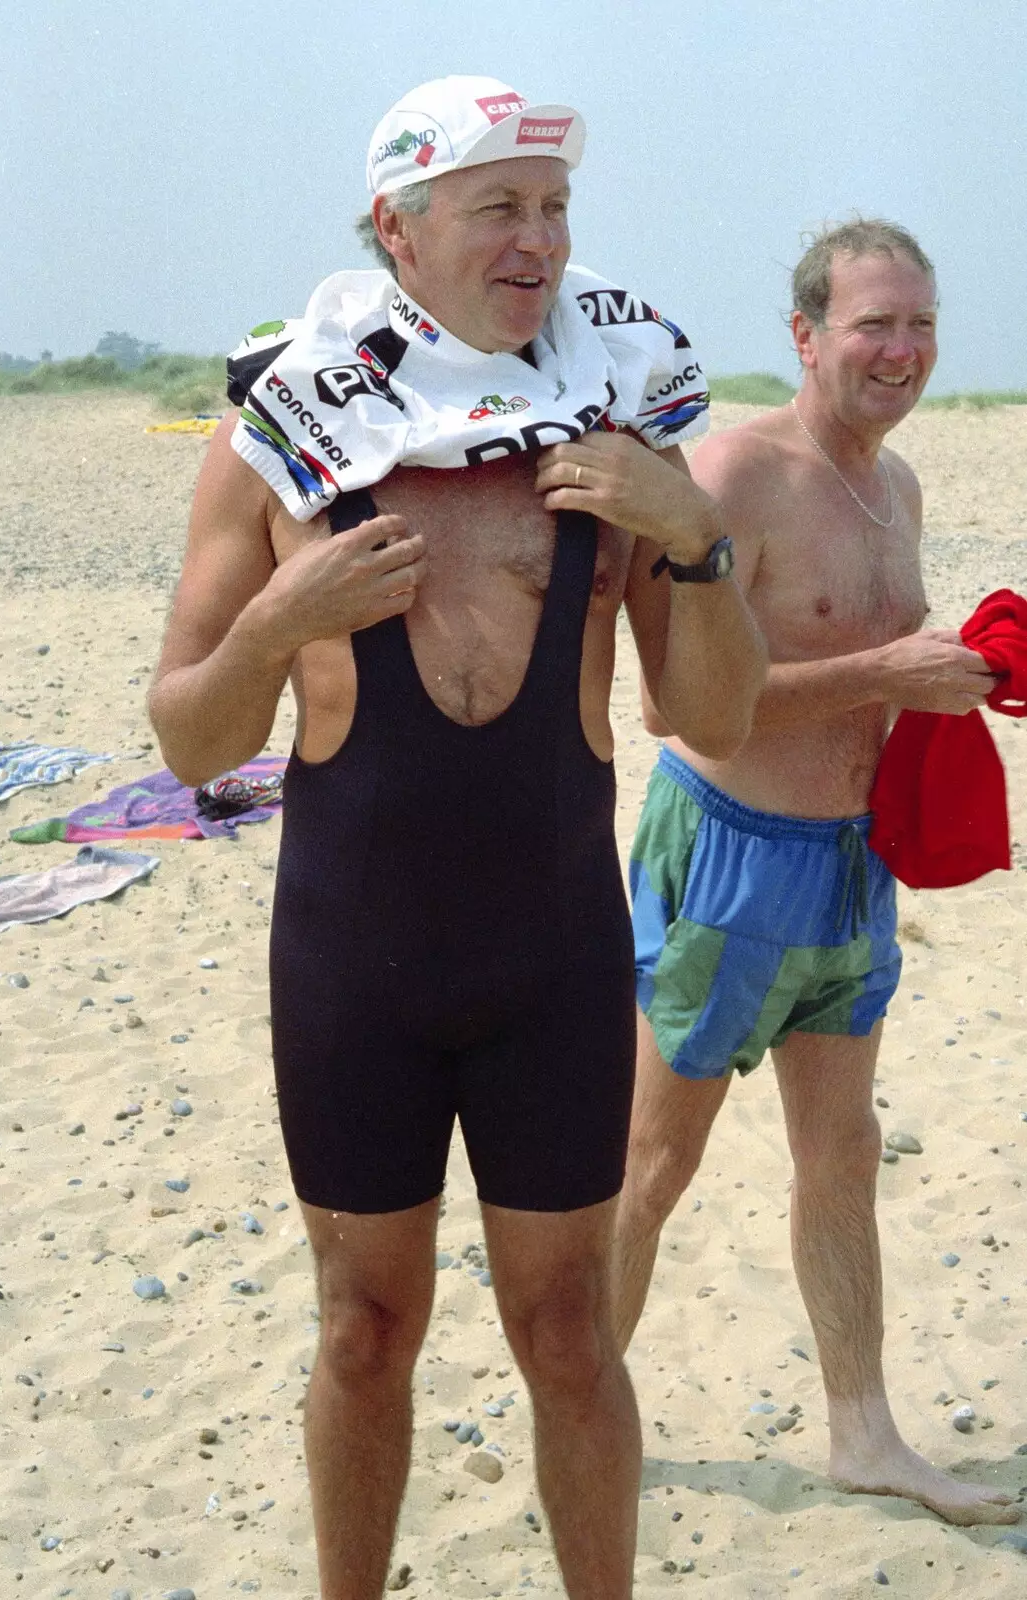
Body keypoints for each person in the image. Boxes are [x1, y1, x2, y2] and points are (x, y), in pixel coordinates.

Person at [148, 76, 765, 1600]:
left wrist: (693, 539)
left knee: (570, 1334)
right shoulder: (281, 437)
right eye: (499, 207)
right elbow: (187, 737)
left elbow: (719, 718)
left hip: (552, 954)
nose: (538, 242)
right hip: (357, 958)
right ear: (397, 230)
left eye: (555, 209)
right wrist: (282, 621)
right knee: (364, 1327)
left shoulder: (621, 431)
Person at [615, 219, 1019, 1527]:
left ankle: (863, 1432)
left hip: (852, 869)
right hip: (729, 862)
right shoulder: (737, 474)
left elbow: (877, 667)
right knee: (653, 1163)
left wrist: (958, 678)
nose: (901, 350)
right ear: (805, 336)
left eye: (919, 325)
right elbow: (682, 707)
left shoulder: (895, 488)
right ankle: (583, 1398)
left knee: (842, 1152)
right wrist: (882, 675)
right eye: (872, 325)